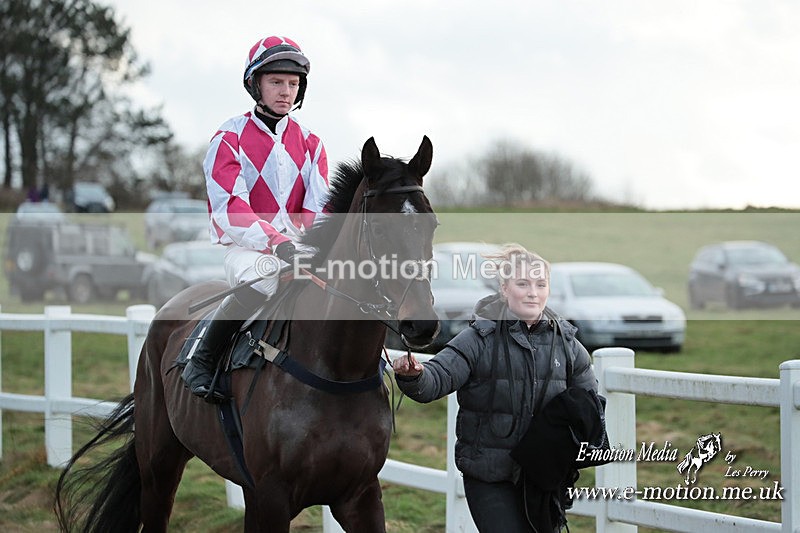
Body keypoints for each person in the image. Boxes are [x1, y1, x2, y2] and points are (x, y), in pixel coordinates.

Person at [392, 244, 598, 532]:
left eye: (540, 284)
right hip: (489, 475)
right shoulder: (478, 338)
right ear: (504, 288)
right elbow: (437, 378)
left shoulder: (568, 345)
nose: (533, 292)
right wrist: (415, 376)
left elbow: (590, 407)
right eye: (523, 284)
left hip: (544, 477)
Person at [182, 35, 329, 402]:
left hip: (297, 247)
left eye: (293, 84)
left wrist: (315, 247)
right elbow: (231, 209)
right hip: (246, 249)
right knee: (265, 279)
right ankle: (202, 360)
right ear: (255, 84)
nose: (286, 92)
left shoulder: (312, 143)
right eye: (276, 82)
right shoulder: (228, 137)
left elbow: (318, 209)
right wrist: (277, 243)